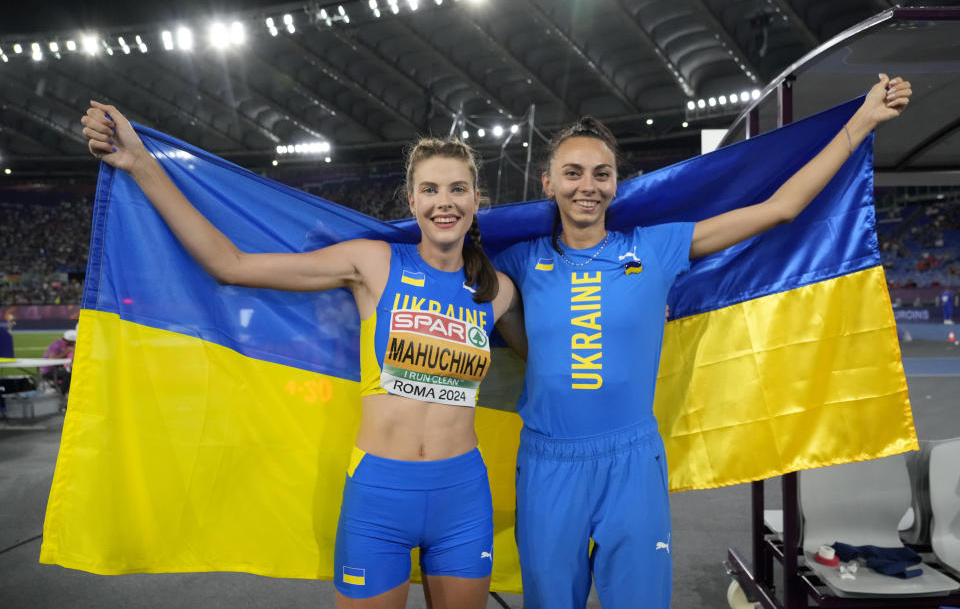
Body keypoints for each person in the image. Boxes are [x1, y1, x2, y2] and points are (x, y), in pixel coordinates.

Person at [81, 100, 522, 609]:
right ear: (411, 199)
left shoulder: (498, 291)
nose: (444, 202)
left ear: (476, 199)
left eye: (457, 189)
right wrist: (141, 163)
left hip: (463, 497)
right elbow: (232, 264)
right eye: (430, 189)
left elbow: (553, 354)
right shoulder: (372, 264)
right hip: (379, 498)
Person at [495, 73, 912, 608]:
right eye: (572, 173)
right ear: (547, 182)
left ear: (616, 183)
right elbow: (478, 297)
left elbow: (780, 208)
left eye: (602, 174)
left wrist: (861, 123)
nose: (588, 186)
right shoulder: (519, 260)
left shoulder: (657, 246)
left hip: (631, 462)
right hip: (548, 463)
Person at [42, 329, 76, 394]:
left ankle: (63, 390)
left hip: (57, 368)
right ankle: (61, 393)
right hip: (49, 371)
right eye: (74, 341)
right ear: (70, 340)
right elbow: (52, 358)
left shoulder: (65, 345)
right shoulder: (57, 344)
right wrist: (66, 352)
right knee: (68, 375)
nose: (75, 343)